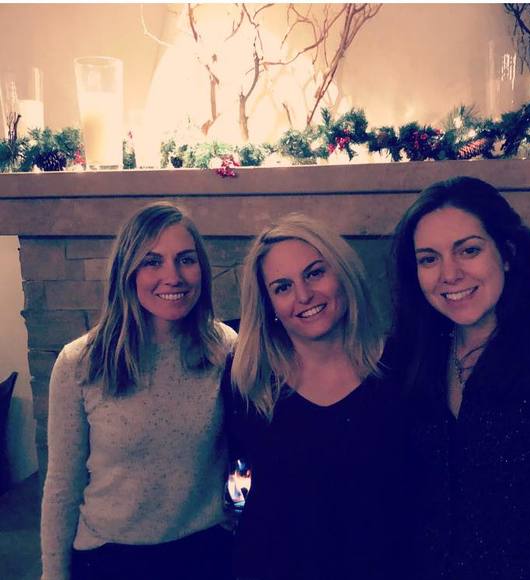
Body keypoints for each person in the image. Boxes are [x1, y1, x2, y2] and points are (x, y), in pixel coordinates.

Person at [388, 176, 530, 580]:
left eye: (469, 250)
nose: (449, 274)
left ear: (508, 253)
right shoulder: (409, 355)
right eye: (429, 259)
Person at [41, 202, 237, 580]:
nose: (172, 276)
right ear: (126, 271)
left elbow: (244, 451)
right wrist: (53, 573)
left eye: (185, 259)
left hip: (206, 552)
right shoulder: (80, 363)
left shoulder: (223, 347)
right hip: (110, 557)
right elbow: (63, 485)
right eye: (152, 261)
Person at [221, 213, 409, 580]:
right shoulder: (249, 379)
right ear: (268, 305)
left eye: (315, 273)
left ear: (343, 273)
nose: (304, 295)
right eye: (282, 287)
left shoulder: (403, 367)